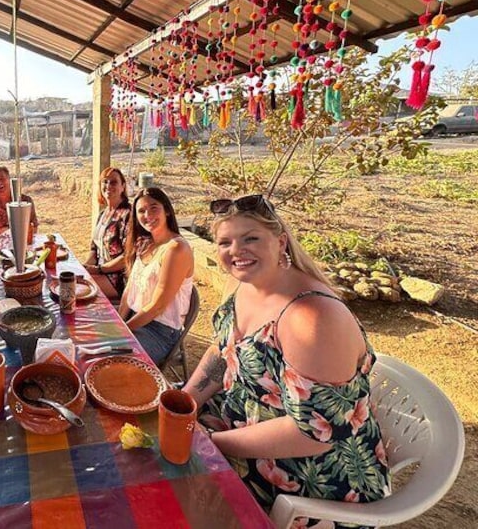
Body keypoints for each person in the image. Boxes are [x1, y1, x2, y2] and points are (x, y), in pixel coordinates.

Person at [183, 194, 390, 526]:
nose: (236, 250)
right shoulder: (243, 285)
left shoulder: (311, 317)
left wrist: (209, 444)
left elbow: (313, 436)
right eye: (225, 242)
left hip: (306, 479)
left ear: (281, 242)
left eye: (251, 238)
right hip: (238, 429)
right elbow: (224, 350)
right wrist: (185, 403)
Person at [118, 187, 193, 365]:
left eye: (153, 208)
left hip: (160, 332)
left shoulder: (176, 248)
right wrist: (119, 322)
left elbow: (157, 306)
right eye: (141, 211)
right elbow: (129, 290)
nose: (147, 215)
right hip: (136, 320)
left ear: (166, 210)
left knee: (114, 362)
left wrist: (123, 331)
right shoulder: (146, 243)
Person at [84, 166, 130, 301]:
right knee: (69, 280)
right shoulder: (102, 215)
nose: (108, 185)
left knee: (74, 289)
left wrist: (98, 269)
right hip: (100, 271)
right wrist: (85, 268)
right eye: (105, 182)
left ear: (123, 186)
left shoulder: (128, 215)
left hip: (119, 278)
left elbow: (127, 257)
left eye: (114, 182)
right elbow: (94, 249)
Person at [0, 165, 39, 237]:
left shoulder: (25, 202)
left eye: (2, 179)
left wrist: (5, 230)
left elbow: (34, 227)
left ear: (9, 180)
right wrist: (9, 230)